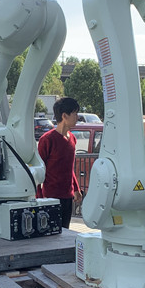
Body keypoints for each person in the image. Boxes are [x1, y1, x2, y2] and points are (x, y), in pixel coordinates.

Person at [37, 97, 83, 228]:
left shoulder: (72, 138)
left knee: (65, 232)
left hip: (68, 197)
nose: (77, 117)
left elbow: (69, 168)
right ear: (64, 116)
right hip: (50, 198)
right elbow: (38, 170)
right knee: (51, 233)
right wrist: (39, 198)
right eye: (75, 113)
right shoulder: (47, 139)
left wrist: (76, 189)